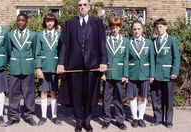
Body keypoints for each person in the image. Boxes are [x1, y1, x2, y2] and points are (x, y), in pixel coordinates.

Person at [56, 0, 108, 131]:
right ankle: (79, 121)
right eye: (80, 5)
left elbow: (102, 43)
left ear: (89, 7)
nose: (82, 7)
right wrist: (61, 63)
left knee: (90, 95)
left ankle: (87, 120)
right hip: (74, 66)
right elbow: (65, 44)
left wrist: (103, 61)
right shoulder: (69, 23)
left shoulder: (97, 22)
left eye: (85, 5)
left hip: (92, 65)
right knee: (76, 94)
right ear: (77, 7)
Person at [4, 13, 37, 127]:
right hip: (14, 67)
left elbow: (35, 51)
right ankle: (13, 117)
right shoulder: (10, 35)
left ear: (26, 21)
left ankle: (29, 116)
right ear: (16, 22)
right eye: (18, 20)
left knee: (29, 93)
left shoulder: (33, 35)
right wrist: (13, 61)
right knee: (13, 94)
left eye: (23, 20)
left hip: (27, 68)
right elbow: (8, 50)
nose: (20, 22)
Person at [150, 18, 180, 128]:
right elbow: (151, 59)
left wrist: (175, 71)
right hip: (155, 75)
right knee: (156, 98)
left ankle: (168, 121)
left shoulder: (172, 40)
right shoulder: (153, 41)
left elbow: (176, 57)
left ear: (166, 27)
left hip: (168, 75)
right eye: (157, 27)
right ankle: (158, 119)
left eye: (161, 27)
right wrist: (151, 74)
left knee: (168, 99)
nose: (159, 29)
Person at [101, 17, 129, 130]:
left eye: (117, 27)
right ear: (110, 28)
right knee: (106, 98)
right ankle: (106, 119)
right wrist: (102, 74)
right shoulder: (105, 40)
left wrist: (125, 75)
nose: (114, 29)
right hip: (107, 74)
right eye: (112, 27)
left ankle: (119, 120)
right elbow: (102, 57)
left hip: (119, 74)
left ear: (120, 28)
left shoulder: (126, 41)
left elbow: (126, 59)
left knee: (118, 98)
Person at [126, 20, 155, 128]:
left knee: (143, 97)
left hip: (145, 73)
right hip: (132, 73)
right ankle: (134, 118)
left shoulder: (148, 42)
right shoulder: (128, 43)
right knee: (132, 97)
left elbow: (152, 59)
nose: (136, 31)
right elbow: (126, 60)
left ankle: (141, 118)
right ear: (131, 30)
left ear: (142, 29)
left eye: (138, 29)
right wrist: (126, 74)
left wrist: (152, 74)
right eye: (134, 29)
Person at [35, 13, 62, 126]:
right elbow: (37, 53)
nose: (49, 23)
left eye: (51, 21)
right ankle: (44, 116)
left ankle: (55, 116)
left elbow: (62, 52)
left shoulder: (60, 35)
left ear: (55, 22)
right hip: (44, 67)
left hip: (55, 67)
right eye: (47, 21)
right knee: (43, 91)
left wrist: (61, 66)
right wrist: (38, 68)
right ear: (45, 22)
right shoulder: (40, 35)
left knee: (54, 92)